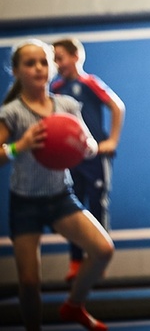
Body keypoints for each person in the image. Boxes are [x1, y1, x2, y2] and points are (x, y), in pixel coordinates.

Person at [1, 39, 114, 331]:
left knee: (103, 250)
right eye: (30, 63)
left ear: (51, 68)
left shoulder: (65, 105)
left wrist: (87, 147)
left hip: (60, 197)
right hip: (25, 203)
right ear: (15, 71)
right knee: (28, 282)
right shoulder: (12, 112)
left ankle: (74, 306)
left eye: (43, 62)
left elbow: (86, 143)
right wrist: (20, 146)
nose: (38, 68)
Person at [51, 38, 126, 283]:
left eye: (60, 57)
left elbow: (117, 106)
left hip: (95, 157)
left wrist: (111, 140)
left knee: (96, 204)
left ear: (75, 57)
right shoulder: (57, 89)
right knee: (74, 209)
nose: (57, 63)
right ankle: (75, 262)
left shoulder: (89, 83)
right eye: (54, 59)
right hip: (72, 159)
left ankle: (97, 261)